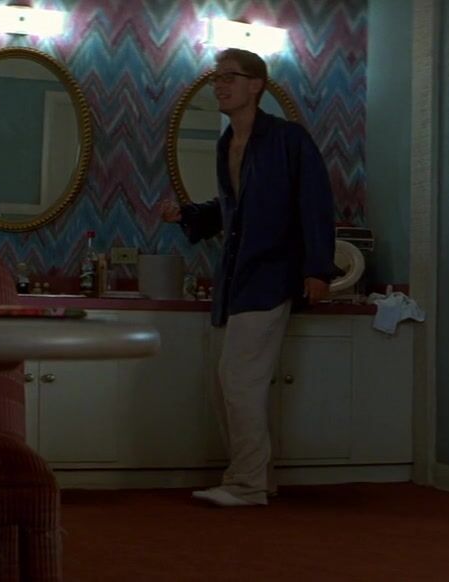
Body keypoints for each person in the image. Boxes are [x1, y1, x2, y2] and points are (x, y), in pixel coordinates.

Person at [161, 48, 339, 507]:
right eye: (216, 78)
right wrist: (189, 215)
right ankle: (259, 477)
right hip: (235, 277)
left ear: (256, 84)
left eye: (230, 77)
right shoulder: (227, 144)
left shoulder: (288, 139)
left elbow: (316, 202)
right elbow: (233, 210)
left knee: (240, 381)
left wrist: (318, 269)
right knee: (227, 383)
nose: (219, 85)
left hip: (271, 273)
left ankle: (247, 484)